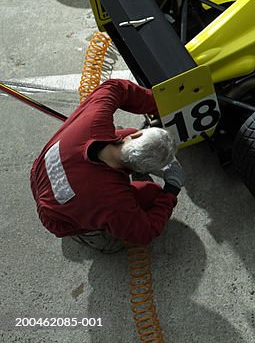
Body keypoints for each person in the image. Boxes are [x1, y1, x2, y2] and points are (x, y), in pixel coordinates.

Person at [29, 78, 184, 253]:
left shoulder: (94, 120)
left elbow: (115, 86)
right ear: (140, 169)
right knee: (151, 194)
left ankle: (76, 209)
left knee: (126, 131)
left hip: (39, 171)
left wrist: (156, 105)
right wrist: (171, 190)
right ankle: (90, 236)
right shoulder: (113, 200)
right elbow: (145, 233)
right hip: (55, 218)